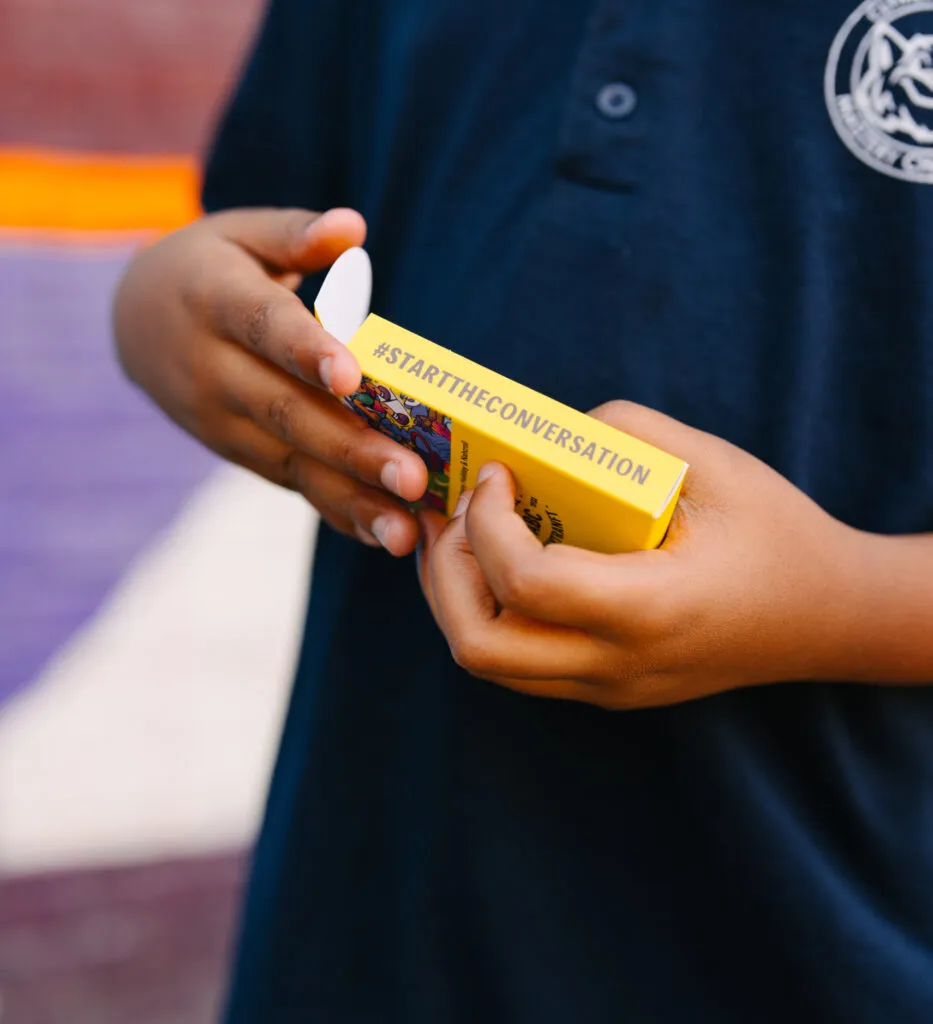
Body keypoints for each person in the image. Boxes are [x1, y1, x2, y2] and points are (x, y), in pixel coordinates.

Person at [113, 1, 933, 1020]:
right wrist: (155, 312)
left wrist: (843, 598)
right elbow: (260, 247)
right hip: (370, 931)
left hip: (825, 945)